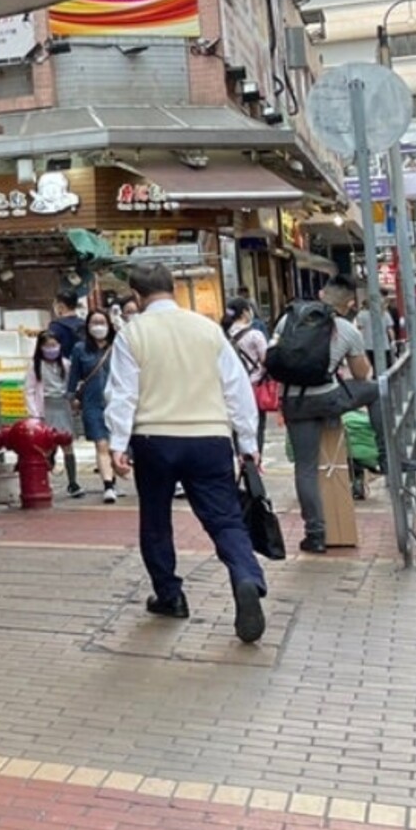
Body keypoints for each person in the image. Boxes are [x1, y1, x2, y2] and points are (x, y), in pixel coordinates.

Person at [105, 263, 267, 644]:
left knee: (156, 520)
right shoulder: (208, 330)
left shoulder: (133, 334)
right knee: (225, 519)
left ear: (137, 295)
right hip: (209, 438)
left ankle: (170, 595)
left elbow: (123, 393)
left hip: (154, 440)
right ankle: (246, 576)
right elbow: (237, 390)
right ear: (172, 288)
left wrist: (117, 443)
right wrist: (248, 444)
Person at [272, 276, 372, 555]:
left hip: (295, 402)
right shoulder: (347, 329)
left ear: (320, 294)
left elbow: (273, 357)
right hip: (329, 400)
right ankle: (385, 457)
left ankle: (315, 534)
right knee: (377, 389)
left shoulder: (287, 321)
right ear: (349, 303)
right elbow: (362, 375)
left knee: (305, 468)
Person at [67, 310, 119, 503]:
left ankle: (113, 478)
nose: (98, 326)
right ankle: (108, 486)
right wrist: (72, 396)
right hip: (92, 403)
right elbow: (74, 375)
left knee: (115, 445)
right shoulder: (80, 349)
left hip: (117, 403)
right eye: (94, 323)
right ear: (87, 327)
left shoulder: (118, 347)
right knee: (101, 443)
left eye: (102, 322)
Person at [26, 328, 84, 498]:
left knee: (67, 443)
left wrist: (74, 402)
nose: (52, 349)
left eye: (54, 345)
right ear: (41, 347)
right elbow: (29, 390)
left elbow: (72, 384)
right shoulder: (35, 366)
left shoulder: (65, 364)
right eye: (48, 346)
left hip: (63, 405)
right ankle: (44, 479)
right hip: (46, 407)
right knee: (47, 445)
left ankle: (73, 483)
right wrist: (35, 414)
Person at [222, 298, 271, 453]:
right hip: (254, 387)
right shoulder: (255, 335)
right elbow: (266, 360)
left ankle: (239, 457)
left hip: (232, 388)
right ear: (244, 312)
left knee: (236, 426)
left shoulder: (223, 335)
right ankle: (254, 461)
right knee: (256, 426)